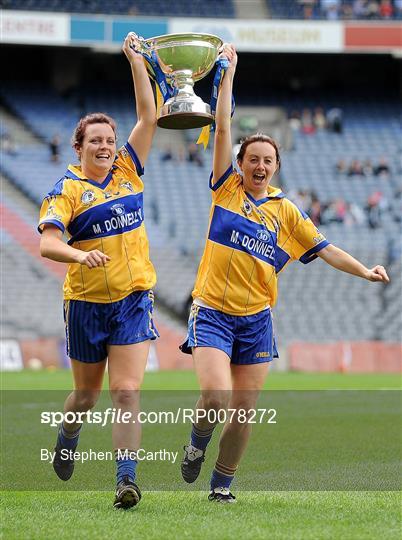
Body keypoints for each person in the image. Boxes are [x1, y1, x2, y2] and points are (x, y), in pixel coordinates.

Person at [179, 44, 389, 503]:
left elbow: (326, 249)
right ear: (239, 165)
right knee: (214, 398)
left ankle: (222, 486)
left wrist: (366, 272)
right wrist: (229, 73)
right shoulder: (225, 191)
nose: (259, 166)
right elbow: (222, 131)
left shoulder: (286, 212)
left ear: (276, 168)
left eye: (267, 161)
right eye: (251, 159)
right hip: (212, 311)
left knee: (244, 412)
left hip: (257, 320)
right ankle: (196, 445)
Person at [38, 33, 158, 510]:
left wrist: (135, 61)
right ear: (80, 146)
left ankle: (125, 481)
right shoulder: (65, 189)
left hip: (132, 298)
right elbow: (48, 242)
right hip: (85, 303)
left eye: (111, 139)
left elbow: (149, 115)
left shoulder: (129, 167)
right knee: (85, 397)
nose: (107, 146)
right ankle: (68, 434)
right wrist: (78, 255)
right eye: (97, 141)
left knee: (126, 391)